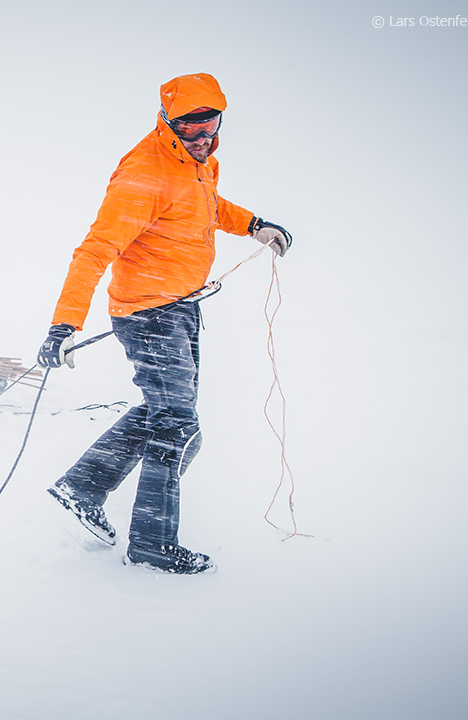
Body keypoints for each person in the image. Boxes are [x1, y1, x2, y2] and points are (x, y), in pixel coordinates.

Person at [36, 73, 292, 574]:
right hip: (148, 313)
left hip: (181, 306)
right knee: (179, 425)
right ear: (167, 123)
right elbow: (93, 252)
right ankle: (152, 543)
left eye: (210, 127)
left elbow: (204, 204)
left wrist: (253, 225)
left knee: (165, 413)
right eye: (190, 129)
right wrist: (63, 326)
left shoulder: (200, 162)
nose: (201, 139)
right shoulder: (142, 174)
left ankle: (82, 486)